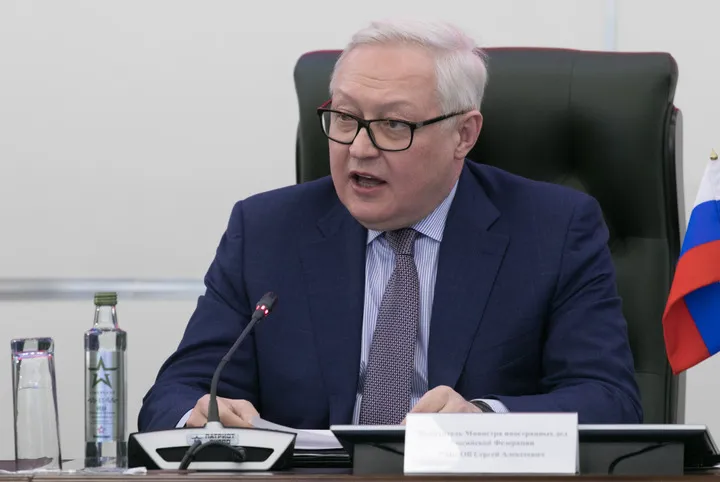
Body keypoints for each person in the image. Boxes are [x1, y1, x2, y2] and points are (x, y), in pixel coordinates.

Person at [138, 18, 642, 432]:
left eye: (394, 125)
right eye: (344, 118)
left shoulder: (554, 230)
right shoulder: (265, 231)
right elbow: (174, 394)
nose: (359, 148)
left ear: (463, 135)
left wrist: (484, 419)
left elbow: (609, 400)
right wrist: (198, 416)